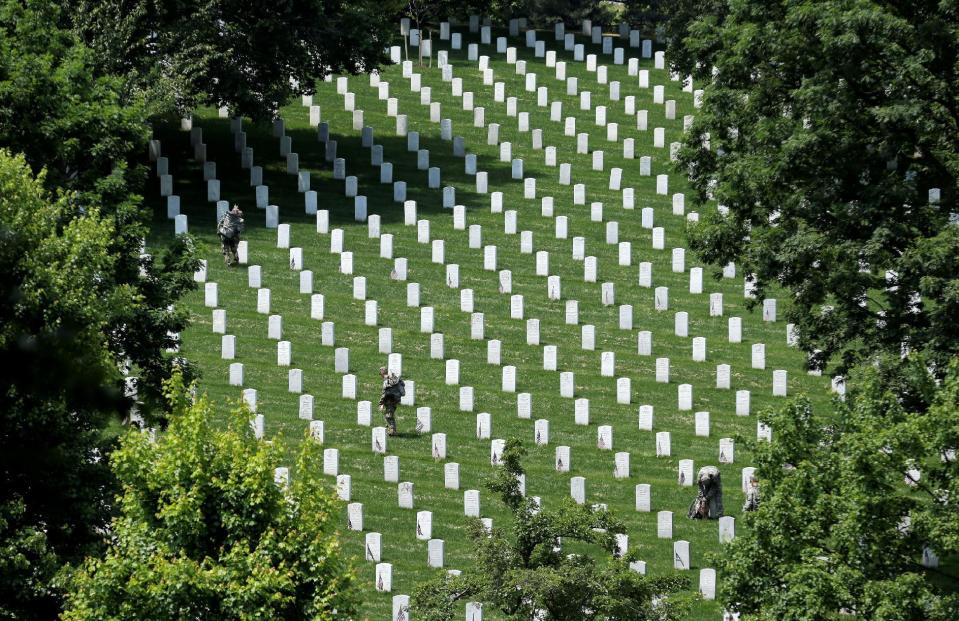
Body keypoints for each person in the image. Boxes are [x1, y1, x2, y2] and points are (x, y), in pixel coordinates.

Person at [378, 366, 404, 436]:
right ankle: (390, 430)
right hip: (395, 400)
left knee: (388, 416)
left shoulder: (386, 381)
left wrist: (381, 404)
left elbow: (384, 394)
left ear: (382, 373)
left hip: (389, 400)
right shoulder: (394, 379)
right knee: (389, 415)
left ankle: (392, 431)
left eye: (380, 374)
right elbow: (403, 393)